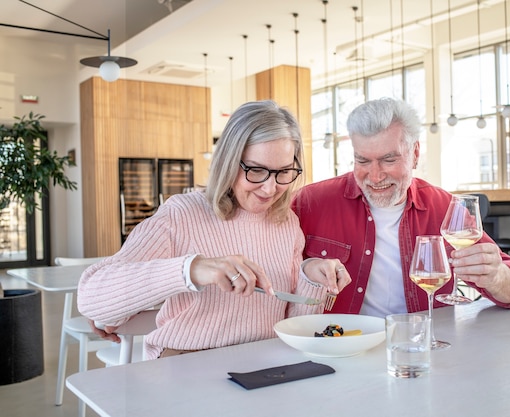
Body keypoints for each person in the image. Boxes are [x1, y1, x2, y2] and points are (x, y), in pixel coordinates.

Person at [78, 100, 351, 360]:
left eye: (284, 172)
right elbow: (92, 296)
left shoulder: (287, 223)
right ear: (229, 162)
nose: (270, 189)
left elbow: (293, 325)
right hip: (186, 362)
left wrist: (312, 277)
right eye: (256, 171)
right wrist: (191, 269)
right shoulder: (181, 213)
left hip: (265, 360)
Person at [292, 97, 510, 317]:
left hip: (422, 345)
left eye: (389, 160)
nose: (375, 176)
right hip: (339, 345)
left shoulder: (444, 207)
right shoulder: (309, 202)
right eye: (362, 161)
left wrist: (496, 275)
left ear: (415, 154)